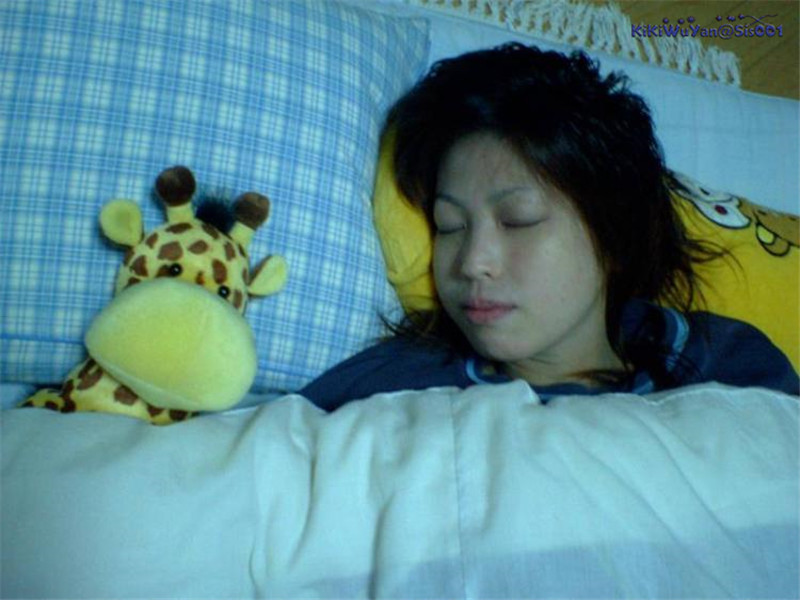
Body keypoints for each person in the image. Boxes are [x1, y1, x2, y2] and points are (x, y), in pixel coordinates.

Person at [301, 43, 799, 411]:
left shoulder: (724, 362)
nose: (473, 262)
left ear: (614, 235)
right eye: (449, 225)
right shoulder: (394, 385)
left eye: (517, 220)